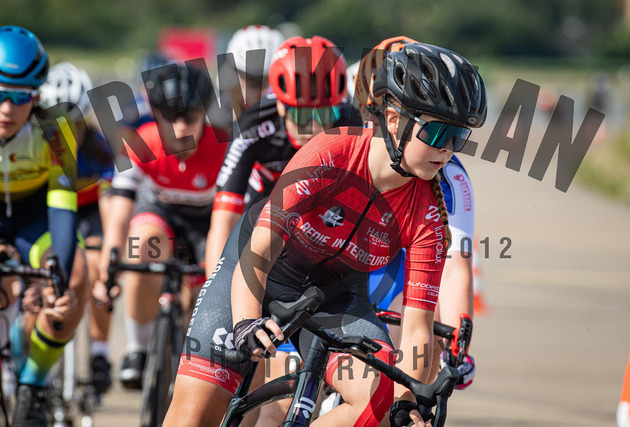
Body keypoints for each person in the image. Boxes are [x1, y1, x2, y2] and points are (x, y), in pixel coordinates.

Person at [165, 41, 487, 427]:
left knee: (379, 398)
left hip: (335, 297)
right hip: (258, 273)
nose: (448, 150)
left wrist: (405, 399)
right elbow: (259, 253)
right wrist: (247, 321)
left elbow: (418, 330)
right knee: (195, 414)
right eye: (436, 132)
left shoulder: (430, 215)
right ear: (394, 120)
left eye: (458, 136)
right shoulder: (330, 153)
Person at [94, 63, 228, 389]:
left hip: (208, 221)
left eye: (190, 118)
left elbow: (230, 218)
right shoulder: (141, 142)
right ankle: (138, 348)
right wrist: (109, 268)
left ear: (204, 114)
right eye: (170, 118)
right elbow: (120, 213)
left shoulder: (224, 146)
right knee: (141, 247)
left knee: (211, 286)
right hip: (160, 214)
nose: (180, 128)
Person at [355, 36, 476, 387]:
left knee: (411, 361)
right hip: (338, 272)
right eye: (370, 115)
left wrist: (455, 346)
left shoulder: (450, 177)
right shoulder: (341, 153)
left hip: (399, 277)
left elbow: (455, 267)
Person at [206, 35, 360, 273]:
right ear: (281, 106)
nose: (314, 127)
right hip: (263, 203)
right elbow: (224, 218)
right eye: (301, 115)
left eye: (325, 114)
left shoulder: (354, 124)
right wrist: (214, 283)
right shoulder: (253, 126)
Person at [0, 26, 89, 426]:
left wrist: (60, 275)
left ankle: (33, 386)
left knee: (76, 276)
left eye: (20, 97)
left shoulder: (56, 129)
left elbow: (62, 206)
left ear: (36, 97)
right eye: (0, 94)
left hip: (35, 216)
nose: (8, 108)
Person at [39, 61, 116, 394]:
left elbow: (109, 201)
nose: (66, 131)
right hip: (50, 208)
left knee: (98, 266)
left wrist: (109, 251)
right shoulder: (35, 142)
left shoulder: (100, 146)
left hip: (89, 209)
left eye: (75, 123)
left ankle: (100, 352)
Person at [211, 25, 284, 135]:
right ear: (236, 74)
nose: (260, 91)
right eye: (251, 81)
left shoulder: (291, 113)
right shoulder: (219, 117)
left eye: (267, 81)